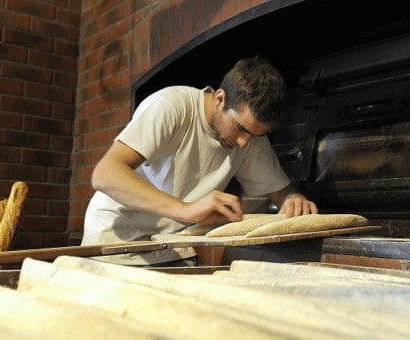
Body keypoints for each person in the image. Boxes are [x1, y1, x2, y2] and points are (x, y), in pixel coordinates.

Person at [82, 55, 318, 266]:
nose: (245, 142)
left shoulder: (249, 138)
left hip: (170, 246)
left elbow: (280, 191)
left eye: (255, 135)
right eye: (239, 128)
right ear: (220, 99)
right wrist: (187, 211)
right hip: (113, 240)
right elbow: (105, 174)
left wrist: (292, 198)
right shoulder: (171, 107)